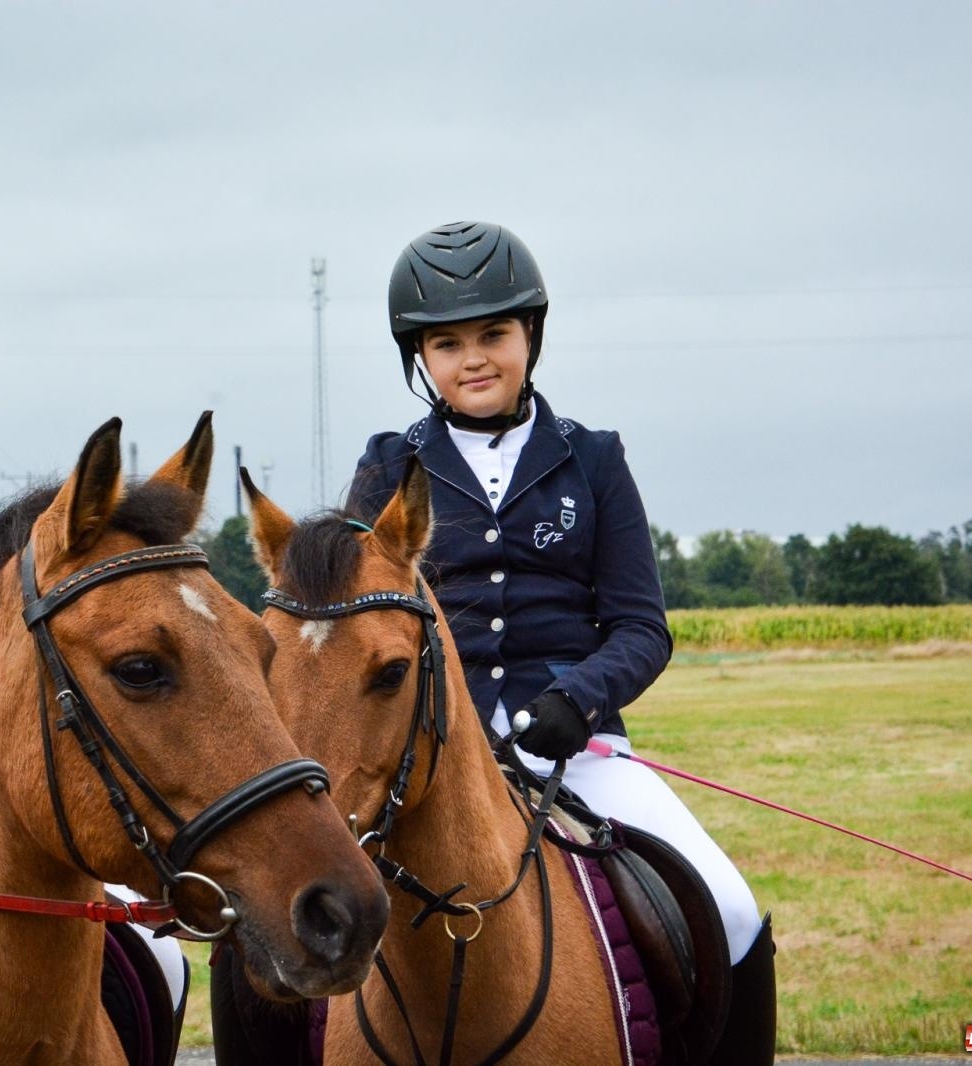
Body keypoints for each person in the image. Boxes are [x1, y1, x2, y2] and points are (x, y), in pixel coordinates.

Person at [350, 221, 776, 1064]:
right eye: (449, 343)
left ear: (531, 336)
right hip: (428, 761)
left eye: (494, 335)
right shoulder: (387, 466)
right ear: (421, 358)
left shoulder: (595, 459)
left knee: (730, 907)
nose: (475, 358)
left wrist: (578, 700)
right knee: (277, 929)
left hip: (577, 751)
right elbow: (358, 625)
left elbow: (642, 629)